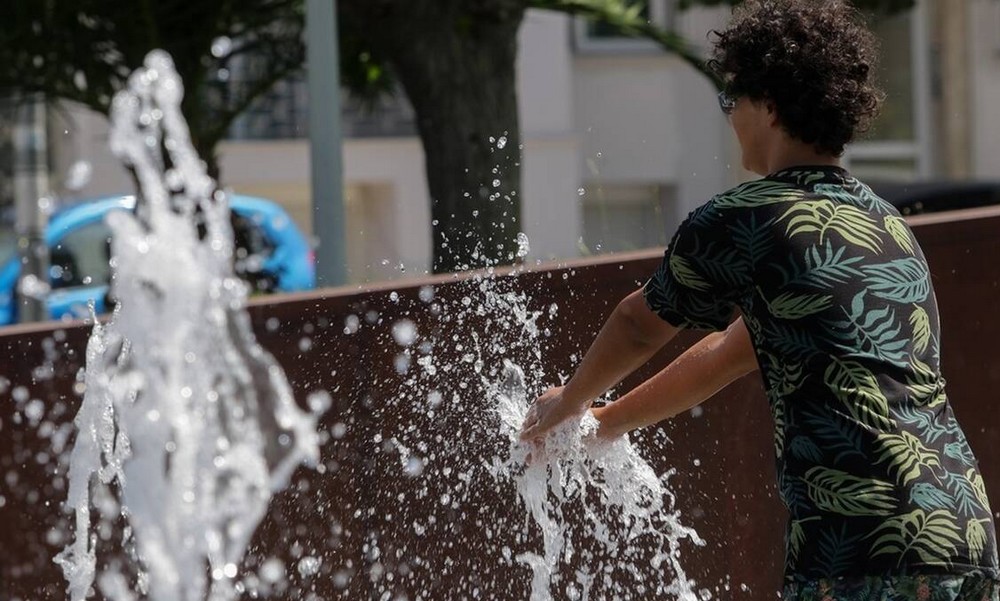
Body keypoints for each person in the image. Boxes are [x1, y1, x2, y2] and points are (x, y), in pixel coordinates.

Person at [518, 1, 1000, 599]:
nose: (729, 117)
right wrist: (604, 422)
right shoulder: (887, 226)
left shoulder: (748, 216)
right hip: (963, 530)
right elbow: (728, 353)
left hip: (860, 544)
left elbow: (638, 324)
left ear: (768, 105)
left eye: (732, 99)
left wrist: (567, 402)